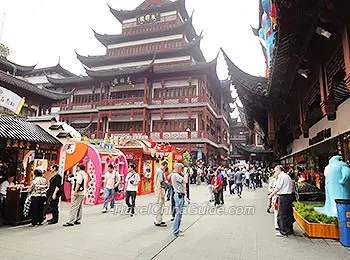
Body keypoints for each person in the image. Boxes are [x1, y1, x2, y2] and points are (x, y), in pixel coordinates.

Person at [268, 165, 295, 236]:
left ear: (278, 170)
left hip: (284, 197)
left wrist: (271, 195)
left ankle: (283, 231)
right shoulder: (286, 176)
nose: (274, 172)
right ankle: (289, 230)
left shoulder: (281, 176)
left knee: (281, 214)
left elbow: (278, 188)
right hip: (289, 196)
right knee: (288, 214)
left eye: (275, 171)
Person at [172, 163, 188, 237]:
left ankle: (177, 229)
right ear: (177, 168)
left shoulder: (176, 175)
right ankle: (175, 231)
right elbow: (185, 181)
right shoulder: (176, 175)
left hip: (179, 195)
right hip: (178, 196)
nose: (181, 170)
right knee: (178, 214)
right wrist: (185, 173)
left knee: (179, 214)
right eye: (181, 168)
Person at [154, 160, 168, 227]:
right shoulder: (160, 171)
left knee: (161, 205)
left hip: (160, 189)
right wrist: (161, 193)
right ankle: (158, 221)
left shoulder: (159, 171)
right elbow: (159, 183)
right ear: (165, 165)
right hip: (161, 190)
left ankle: (160, 219)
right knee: (160, 205)